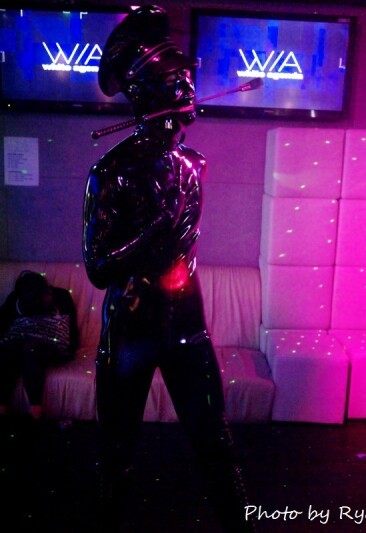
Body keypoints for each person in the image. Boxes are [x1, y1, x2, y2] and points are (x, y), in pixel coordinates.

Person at [82, 6, 256, 532]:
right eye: (175, 81)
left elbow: (181, 250)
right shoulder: (110, 172)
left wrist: (164, 234)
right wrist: (154, 231)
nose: (189, 89)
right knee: (117, 453)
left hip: (187, 329)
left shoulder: (193, 165)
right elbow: (98, 268)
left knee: (216, 442)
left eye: (187, 79)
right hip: (131, 333)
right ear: (145, 94)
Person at [0, 270, 79, 420]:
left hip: (52, 346)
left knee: (31, 348)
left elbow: (72, 331)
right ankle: (2, 407)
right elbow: (2, 323)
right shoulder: (15, 300)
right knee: (11, 349)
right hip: (20, 344)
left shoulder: (62, 297)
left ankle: (35, 410)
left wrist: (69, 349)